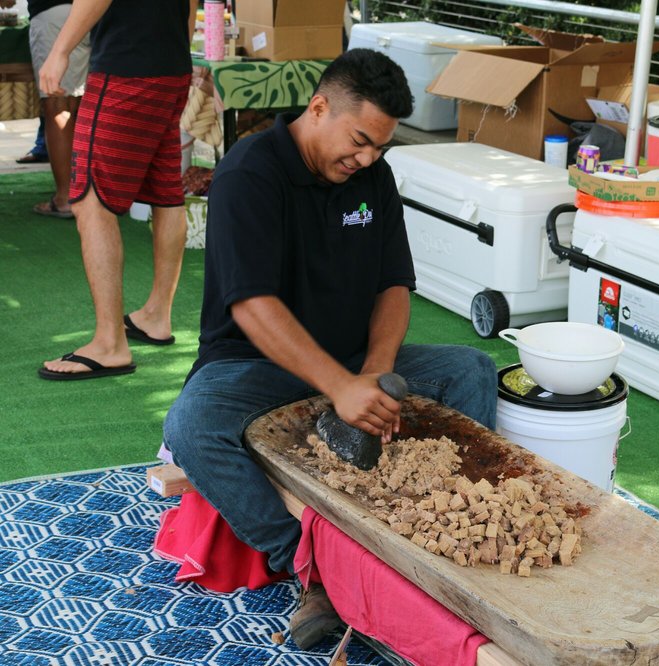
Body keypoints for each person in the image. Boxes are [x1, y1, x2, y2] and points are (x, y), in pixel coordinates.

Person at [162, 49, 497, 649]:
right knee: (191, 424)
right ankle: (316, 566)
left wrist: (373, 372)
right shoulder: (249, 172)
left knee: (470, 369)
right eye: (361, 141)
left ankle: (436, 531)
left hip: (350, 365)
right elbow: (252, 306)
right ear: (319, 107)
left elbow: (394, 285)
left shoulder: (372, 176)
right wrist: (342, 389)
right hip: (254, 367)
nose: (368, 159)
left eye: (380, 148)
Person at [36, 0, 198, 380]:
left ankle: (110, 344)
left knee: (91, 200)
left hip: (128, 67)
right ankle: (157, 316)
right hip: (171, 64)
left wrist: (59, 51)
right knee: (165, 192)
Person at [25, 0, 90, 219]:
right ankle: (87, 193)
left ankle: (65, 198)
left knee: (58, 104)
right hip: (95, 14)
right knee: (82, 105)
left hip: (54, 12)